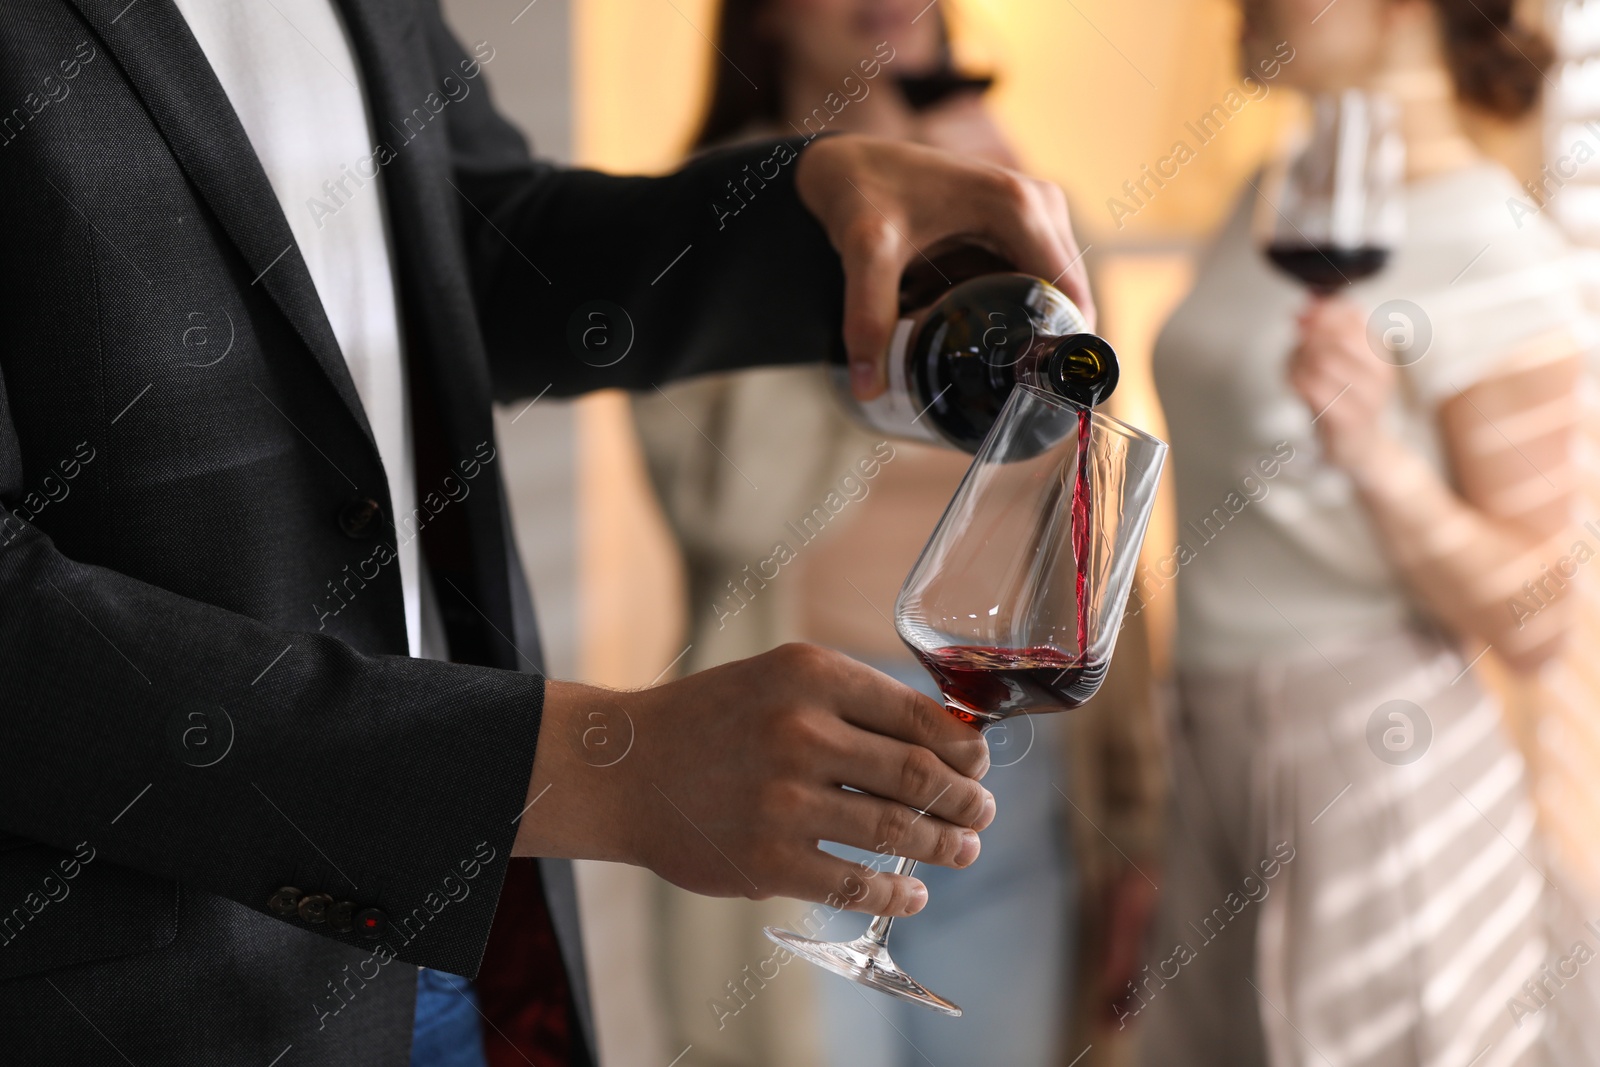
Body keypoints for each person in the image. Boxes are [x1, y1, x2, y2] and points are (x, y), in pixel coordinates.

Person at [0, 2, 1100, 1064]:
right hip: (161, 992)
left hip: (459, 947)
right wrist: (588, 767)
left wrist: (809, 204)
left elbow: (477, 244)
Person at [632, 3, 1163, 1065]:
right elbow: (732, 507)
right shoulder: (707, 218)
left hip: (1016, 753)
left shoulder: (1014, 193)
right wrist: (859, 236)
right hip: (801, 749)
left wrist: (1139, 822)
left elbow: (1096, 517)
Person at [1135, 0, 1597, 1064]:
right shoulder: (1270, 194)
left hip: (1371, 767)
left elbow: (1536, 619)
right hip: (1210, 747)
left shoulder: (1490, 236)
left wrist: (1377, 460)